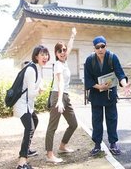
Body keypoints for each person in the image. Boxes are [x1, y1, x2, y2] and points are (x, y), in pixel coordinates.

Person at [84, 35, 130, 156]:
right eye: (97, 47)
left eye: (102, 46)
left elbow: (120, 73)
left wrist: (124, 84)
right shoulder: (90, 60)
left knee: (112, 119)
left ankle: (113, 143)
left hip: (110, 94)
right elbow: (87, 78)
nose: (100, 49)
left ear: (106, 46)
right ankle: (97, 144)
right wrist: (99, 87)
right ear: (94, 48)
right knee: (96, 120)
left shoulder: (112, 57)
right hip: (96, 93)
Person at [45, 28, 78, 164]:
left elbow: (69, 47)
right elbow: (60, 82)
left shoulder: (64, 61)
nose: (63, 52)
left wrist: (72, 35)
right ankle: (49, 154)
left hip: (65, 96)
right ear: (56, 54)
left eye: (64, 50)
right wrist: (59, 100)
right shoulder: (58, 65)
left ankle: (62, 146)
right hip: (57, 96)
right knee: (52, 127)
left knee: (73, 124)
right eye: (60, 51)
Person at [14, 45, 50, 169]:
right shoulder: (31, 70)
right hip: (21, 104)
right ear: (36, 56)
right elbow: (31, 93)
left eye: (46, 54)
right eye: (42, 54)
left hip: (28, 105)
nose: (45, 57)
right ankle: (21, 162)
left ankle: (26, 149)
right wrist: (40, 90)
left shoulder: (38, 68)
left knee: (35, 120)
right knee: (29, 128)